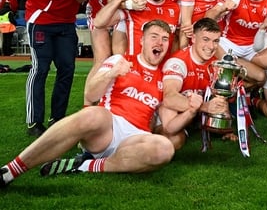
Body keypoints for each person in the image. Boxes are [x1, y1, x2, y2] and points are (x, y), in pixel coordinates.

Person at [0, 20, 175, 187]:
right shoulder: (120, 60)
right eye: (154, 36)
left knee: (165, 149)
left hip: (135, 140)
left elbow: (163, 123)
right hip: (107, 128)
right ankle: (10, 171)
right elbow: (90, 94)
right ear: (142, 40)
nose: (159, 42)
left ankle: (84, 165)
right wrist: (111, 73)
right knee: (93, 114)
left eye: (164, 39)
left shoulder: (167, 78)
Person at [25, 0, 103, 137]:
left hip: (66, 22)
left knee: (67, 69)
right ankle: (34, 122)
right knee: (39, 69)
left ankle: (57, 119)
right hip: (41, 18)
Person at [159, 18, 230, 150]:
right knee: (174, 138)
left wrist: (221, 112)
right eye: (205, 39)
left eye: (215, 41)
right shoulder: (178, 63)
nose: (211, 47)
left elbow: (220, 103)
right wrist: (204, 107)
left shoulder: (215, 66)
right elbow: (169, 98)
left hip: (189, 117)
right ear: (193, 38)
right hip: (164, 115)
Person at [94, 0, 180, 59]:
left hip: (162, 71)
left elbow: (176, 40)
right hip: (135, 69)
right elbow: (98, 22)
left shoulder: (176, 9)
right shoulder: (134, 4)